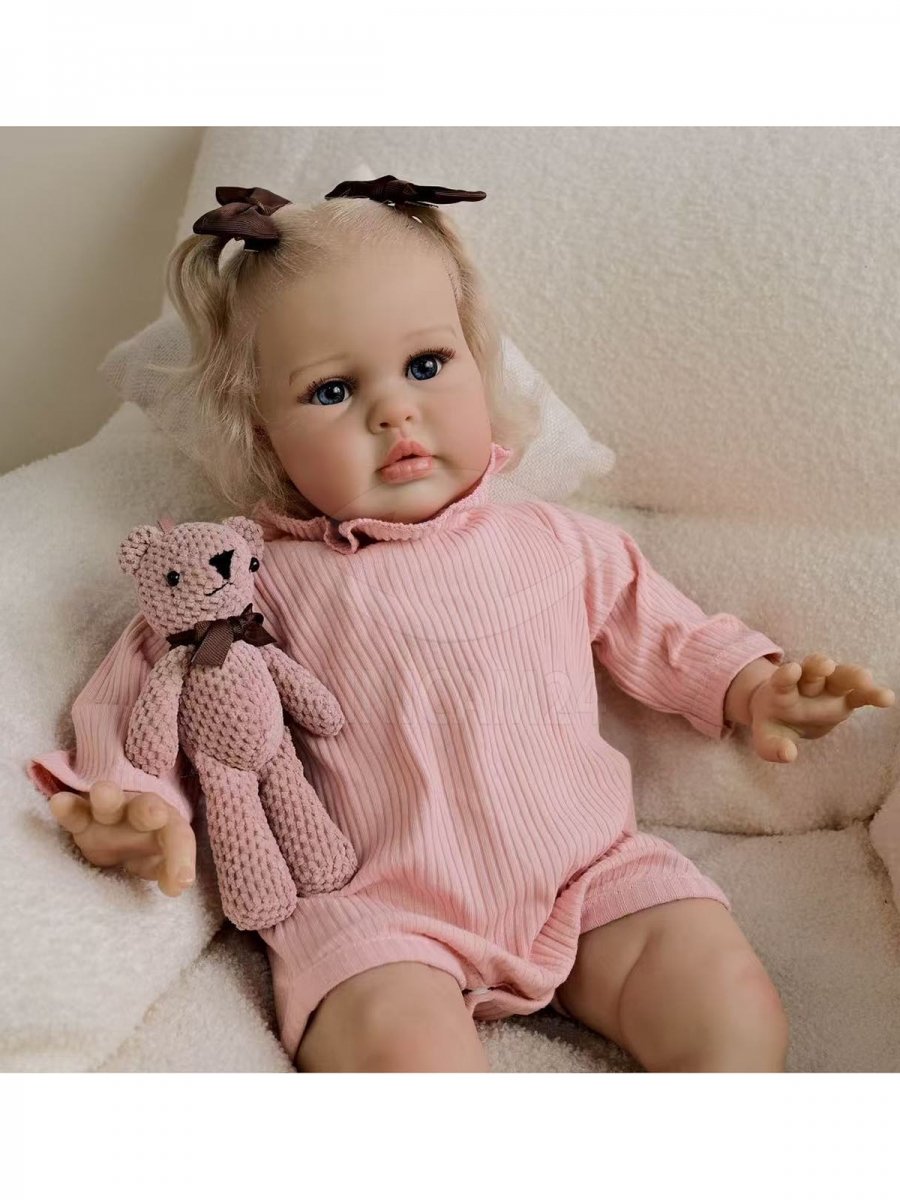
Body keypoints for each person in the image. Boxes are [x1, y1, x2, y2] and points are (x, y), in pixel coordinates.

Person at [28, 176, 895, 1073]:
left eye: (426, 365)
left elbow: (672, 634)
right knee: (406, 1058)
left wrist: (758, 688)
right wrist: (130, 800)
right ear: (261, 431)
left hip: (588, 875)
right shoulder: (249, 578)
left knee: (727, 1000)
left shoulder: (554, 539)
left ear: (480, 366)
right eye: (332, 389)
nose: (393, 411)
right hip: (376, 911)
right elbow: (152, 692)